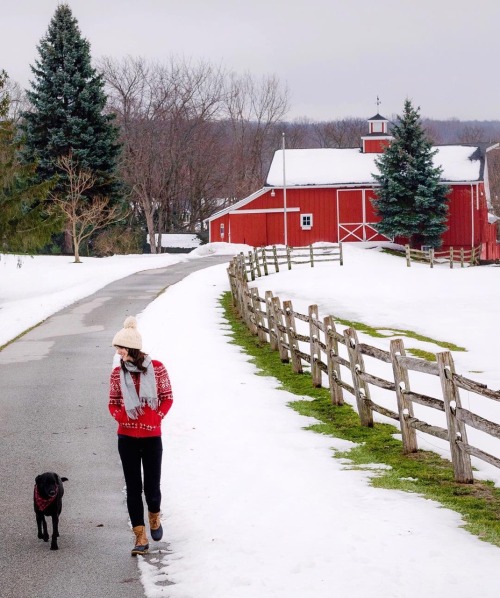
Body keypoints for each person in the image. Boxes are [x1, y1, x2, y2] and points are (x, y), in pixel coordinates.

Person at [109, 316, 173, 556]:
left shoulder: (156, 368)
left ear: (132, 348)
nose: (118, 352)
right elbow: (113, 402)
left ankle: (154, 516)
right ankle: (140, 536)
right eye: (117, 349)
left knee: (151, 487)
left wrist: (156, 417)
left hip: (151, 438)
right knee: (133, 487)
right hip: (126, 438)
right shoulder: (118, 373)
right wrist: (120, 416)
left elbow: (167, 397)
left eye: (121, 348)